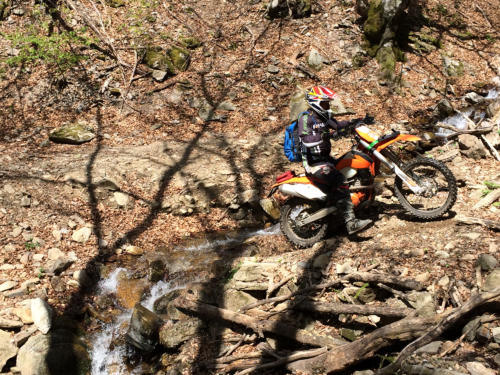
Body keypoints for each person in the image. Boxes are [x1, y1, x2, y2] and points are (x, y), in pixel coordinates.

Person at [297, 86, 372, 235]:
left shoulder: (323, 117)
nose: (328, 106)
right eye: (325, 103)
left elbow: (338, 125)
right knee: (340, 180)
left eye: (328, 104)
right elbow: (306, 139)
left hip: (326, 159)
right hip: (314, 164)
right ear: (315, 102)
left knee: (351, 163)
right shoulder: (305, 118)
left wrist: (358, 121)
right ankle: (351, 223)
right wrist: (326, 135)